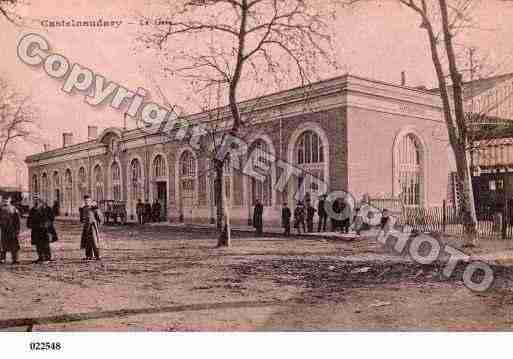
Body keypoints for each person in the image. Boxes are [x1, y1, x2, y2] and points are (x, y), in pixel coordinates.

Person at [27, 197, 52, 263]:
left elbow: (51, 218)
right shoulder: (33, 210)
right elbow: (29, 218)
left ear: (41, 202)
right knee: (38, 244)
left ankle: (47, 258)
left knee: (45, 244)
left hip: (45, 229)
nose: (36, 203)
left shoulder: (47, 209)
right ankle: (40, 257)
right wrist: (30, 225)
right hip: (36, 229)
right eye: (35, 201)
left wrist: (46, 224)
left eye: (38, 201)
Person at [80, 195, 102, 261]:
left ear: (90, 201)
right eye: (85, 201)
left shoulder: (93, 208)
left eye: (88, 201)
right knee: (87, 241)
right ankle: (88, 256)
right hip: (86, 226)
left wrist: (96, 224)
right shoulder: (83, 208)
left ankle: (97, 256)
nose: (86, 202)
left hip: (92, 226)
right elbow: (81, 219)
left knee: (94, 241)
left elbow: (99, 217)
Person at [0, 197, 21, 265]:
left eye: (7, 199)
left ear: (9, 200)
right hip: (3, 229)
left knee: (14, 244)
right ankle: (2, 258)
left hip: (12, 229)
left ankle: (15, 259)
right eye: (4, 199)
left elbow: (17, 221)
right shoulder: (0, 209)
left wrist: (17, 230)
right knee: (3, 245)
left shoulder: (14, 209)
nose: (5, 201)